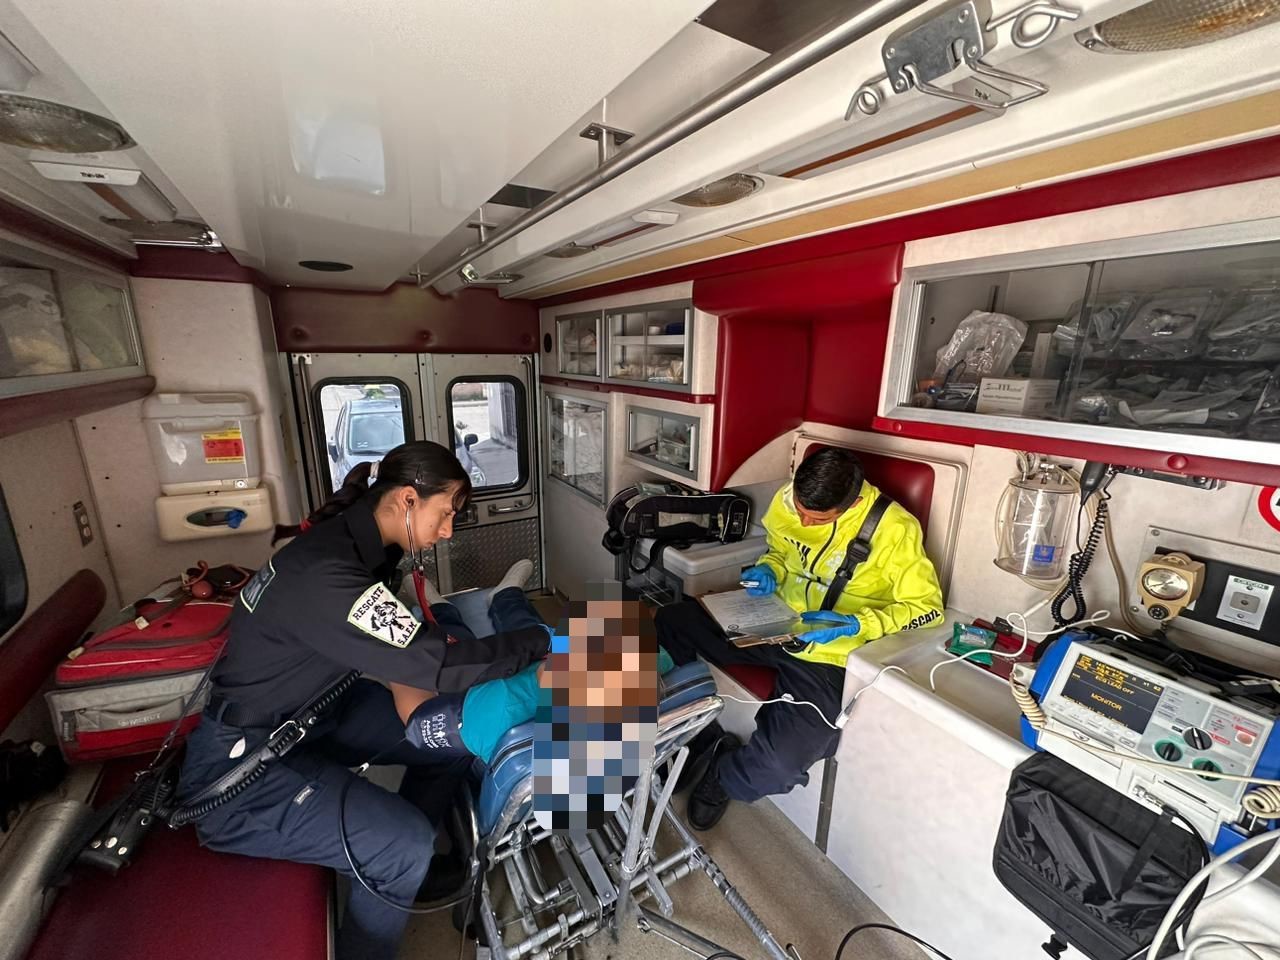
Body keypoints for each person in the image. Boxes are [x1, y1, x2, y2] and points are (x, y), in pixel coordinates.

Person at [177, 441, 549, 960]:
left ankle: (401, 865)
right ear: (406, 500)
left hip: (317, 717)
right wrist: (539, 644)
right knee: (404, 845)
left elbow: (402, 644)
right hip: (246, 767)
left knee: (451, 739)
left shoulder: (362, 548)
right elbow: (438, 663)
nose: (448, 531)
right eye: (445, 514)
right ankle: (399, 857)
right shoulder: (327, 573)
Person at [655, 448, 944, 830]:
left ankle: (721, 775)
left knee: (776, 768)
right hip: (773, 623)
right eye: (800, 509)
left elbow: (928, 609)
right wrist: (769, 570)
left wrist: (857, 624)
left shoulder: (895, 530)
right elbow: (780, 550)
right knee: (669, 619)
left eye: (817, 519)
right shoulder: (789, 499)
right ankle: (697, 731)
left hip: (827, 655)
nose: (804, 521)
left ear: (853, 502)